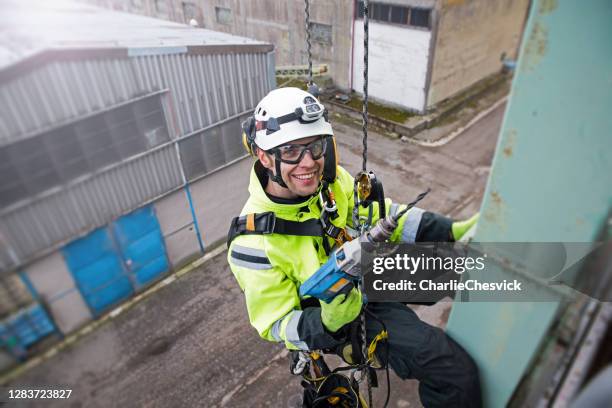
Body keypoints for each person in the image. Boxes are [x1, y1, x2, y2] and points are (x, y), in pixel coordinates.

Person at [227, 87, 482, 407]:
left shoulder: (330, 182)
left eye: (315, 147)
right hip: (336, 319)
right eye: (291, 150)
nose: (308, 163)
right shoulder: (251, 243)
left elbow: (381, 215)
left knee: (459, 268)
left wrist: (446, 230)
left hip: (363, 274)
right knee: (451, 371)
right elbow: (275, 323)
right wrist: (329, 321)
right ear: (265, 156)